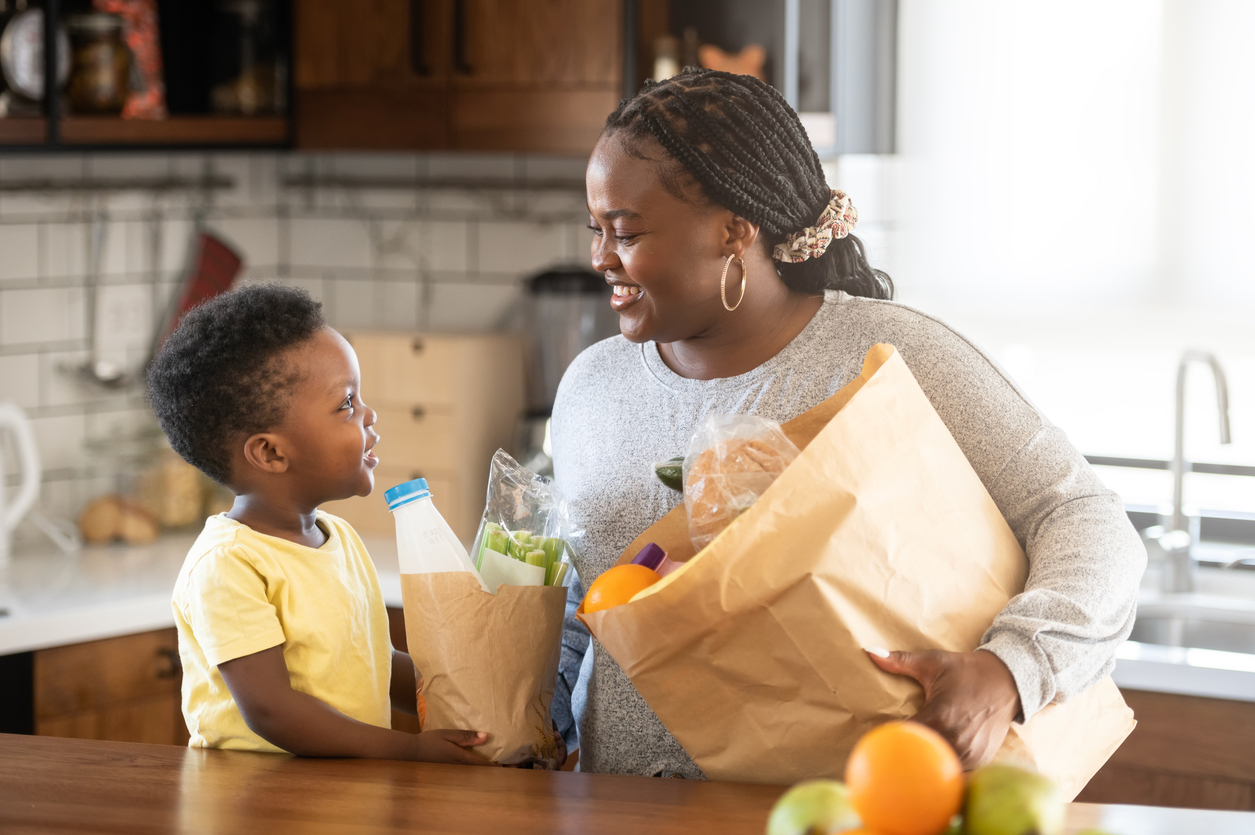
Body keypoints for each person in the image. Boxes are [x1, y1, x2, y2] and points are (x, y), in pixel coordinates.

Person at [550, 69, 1145, 777]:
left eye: (625, 232)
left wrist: (1008, 669)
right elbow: (573, 613)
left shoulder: (889, 358)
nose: (599, 258)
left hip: (848, 808)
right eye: (595, 230)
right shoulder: (590, 385)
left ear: (733, 232)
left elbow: (1084, 518)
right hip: (618, 812)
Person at [149, 284, 490, 764]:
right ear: (270, 452)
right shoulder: (228, 565)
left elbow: (374, 664)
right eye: (346, 403)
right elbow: (273, 710)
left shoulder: (340, 539)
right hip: (261, 807)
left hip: (340, 798)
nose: (369, 415)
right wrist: (410, 750)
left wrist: (476, 704)